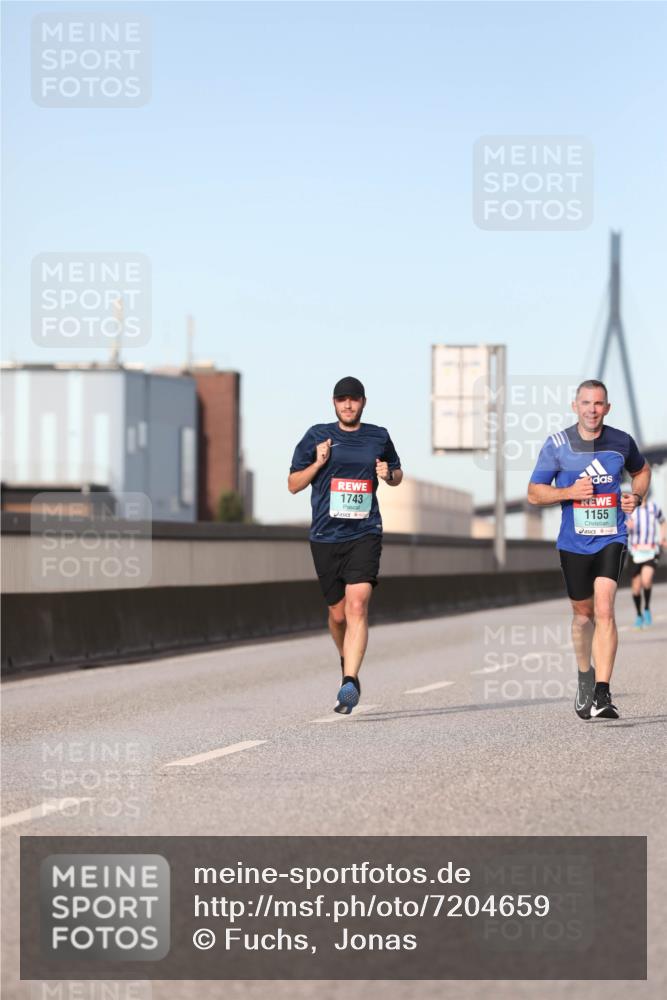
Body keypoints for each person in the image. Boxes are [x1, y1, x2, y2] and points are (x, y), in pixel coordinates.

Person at [527, 379, 650, 720]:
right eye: (586, 403)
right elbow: (535, 493)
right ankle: (585, 674)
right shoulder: (557, 445)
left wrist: (636, 496)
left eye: (598, 404)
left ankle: (602, 692)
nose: (592, 410)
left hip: (612, 537)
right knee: (583, 618)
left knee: (606, 608)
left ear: (606, 408)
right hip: (573, 542)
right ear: (575, 406)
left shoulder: (621, 441)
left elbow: (642, 471)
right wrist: (568, 493)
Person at [288, 376, 403, 713]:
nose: (348, 405)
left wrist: (387, 474)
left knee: (357, 606)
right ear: (334, 403)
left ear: (363, 402)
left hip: (365, 532)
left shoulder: (378, 436)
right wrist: (319, 462)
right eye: (342, 400)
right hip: (325, 536)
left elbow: (397, 474)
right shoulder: (316, 436)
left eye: (354, 399)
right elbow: (293, 484)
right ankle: (345, 659)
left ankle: (350, 681)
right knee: (337, 615)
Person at [626, 494, 666, 627]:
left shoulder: (653, 507)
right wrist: (627, 526)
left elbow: (663, 522)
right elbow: (622, 526)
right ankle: (639, 614)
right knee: (636, 588)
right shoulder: (629, 509)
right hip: (635, 552)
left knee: (646, 580)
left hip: (651, 550)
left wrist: (663, 538)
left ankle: (647, 608)